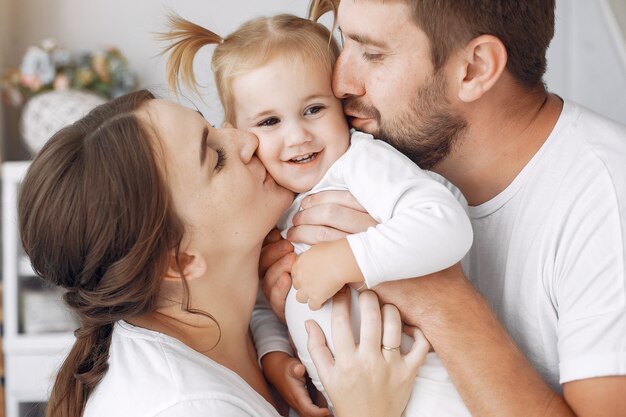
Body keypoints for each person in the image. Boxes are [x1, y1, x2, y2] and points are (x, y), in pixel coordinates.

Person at [260, 0, 626, 416]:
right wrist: (306, 315)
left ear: (475, 68)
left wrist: (437, 296)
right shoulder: (388, 172)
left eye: (373, 53)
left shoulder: (609, 206)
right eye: (344, 41)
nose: (340, 82)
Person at [18, 90, 430, 417]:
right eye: (215, 158)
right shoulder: (185, 408)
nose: (249, 139)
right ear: (177, 262)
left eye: (215, 125)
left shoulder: (257, 318)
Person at [161, 8, 474, 416]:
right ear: (238, 133)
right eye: (270, 120)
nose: (297, 135)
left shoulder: (360, 164)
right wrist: (272, 352)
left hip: (427, 390)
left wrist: (348, 258)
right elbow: (256, 301)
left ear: (340, 103)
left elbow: (447, 225)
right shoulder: (265, 204)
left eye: (313, 109)